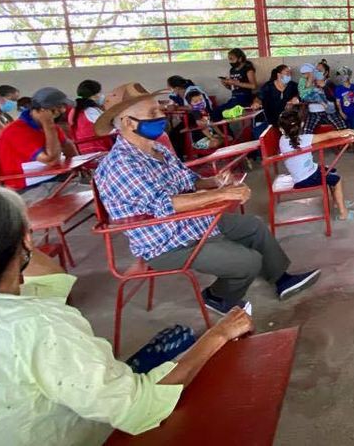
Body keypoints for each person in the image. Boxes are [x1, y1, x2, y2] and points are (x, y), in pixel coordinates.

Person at [0, 184, 254, 445]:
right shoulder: (41, 326)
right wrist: (218, 334)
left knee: (164, 350)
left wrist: (14, 239)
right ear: (27, 239)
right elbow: (139, 407)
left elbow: (51, 281)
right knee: (209, 386)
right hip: (70, 433)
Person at [92, 87, 320, 314]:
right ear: (128, 123)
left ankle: (282, 279)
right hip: (166, 243)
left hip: (191, 222)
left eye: (159, 109)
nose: (162, 116)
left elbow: (189, 180)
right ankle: (217, 297)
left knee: (254, 227)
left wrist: (214, 182)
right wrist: (222, 194)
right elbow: (165, 205)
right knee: (247, 262)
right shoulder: (120, 164)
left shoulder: (158, 148)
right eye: (153, 113)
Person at [0, 87, 79, 203]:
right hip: (30, 189)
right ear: (43, 110)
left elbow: (68, 145)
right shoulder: (16, 131)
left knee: (97, 184)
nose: (63, 111)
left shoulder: (50, 127)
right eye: (59, 107)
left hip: (55, 179)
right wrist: (48, 124)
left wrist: (77, 169)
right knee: (94, 195)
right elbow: (51, 160)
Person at [277, 110, 354, 221]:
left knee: (331, 171)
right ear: (302, 124)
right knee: (337, 179)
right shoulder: (305, 139)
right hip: (306, 178)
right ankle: (344, 213)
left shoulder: (282, 141)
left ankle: (337, 202)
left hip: (303, 175)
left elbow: (327, 136)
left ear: (281, 129)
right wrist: (346, 131)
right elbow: (328, 135)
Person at [297, 62, 347, 133]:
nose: (316, 73)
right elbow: (303, 95)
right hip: (312, 112)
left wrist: (324, 87)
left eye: (319, 71)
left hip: (329, 111)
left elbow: (333, 98)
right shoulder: (308, 82)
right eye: (315, 71)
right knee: (305, 131)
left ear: (325, 73)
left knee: (343, 129)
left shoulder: (329, 83)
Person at [68, 79, 113, 154]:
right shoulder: (91, 111)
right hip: (98, 149)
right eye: (99, 92)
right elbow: (109, 128)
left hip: (83, 149)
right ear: (94, 96)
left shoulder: (75, 110)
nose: (102, 95)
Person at [334, 66, 354, 154]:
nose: (341, 77)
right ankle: (351, 147)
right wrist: (341, 112)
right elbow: (338, 102)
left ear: (348, 76)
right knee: (348, 130)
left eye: (343, 75)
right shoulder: (338, 89)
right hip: (345, 113)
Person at [218, 48, 258, 114]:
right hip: (234, 98)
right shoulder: (232, 70)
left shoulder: (248, 69)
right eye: (229, 59)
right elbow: (233, 88)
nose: (230, 62)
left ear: (240, 59)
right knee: (217, 111)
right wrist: (226, 84)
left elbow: (254, 86)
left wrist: (235, 83)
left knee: (221, 112)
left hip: (244, 98)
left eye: (232, 59)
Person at [258, 64, 300, 128]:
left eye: (290, 73)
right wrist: (256, 103)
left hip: (288, 121)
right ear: (279, 75)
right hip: (271, 121)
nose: (289, 75)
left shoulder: (293, 86)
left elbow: (300, 95)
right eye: (287, 73)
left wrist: (296, 98)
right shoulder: (268, 86)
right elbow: (259, 98)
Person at [186, 87, 223, 152]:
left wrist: (221, 134)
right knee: (216, 142)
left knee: (227, 138)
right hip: (200, 140)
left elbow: (212, 124)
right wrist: (212, 138)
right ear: (190, 105)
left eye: (201, 100)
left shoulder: (204, 111)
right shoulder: (195, 112)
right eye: (195, 102)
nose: (200, 102)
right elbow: (203, 127)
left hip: (208, 136)